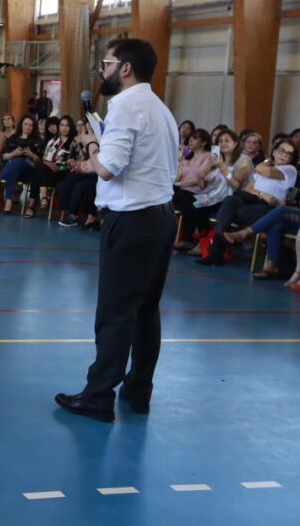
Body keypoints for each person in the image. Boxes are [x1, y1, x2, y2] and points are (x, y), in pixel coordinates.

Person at [55, 38, 178, 423]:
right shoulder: (160, 109)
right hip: (161, 217)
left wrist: (92, 145)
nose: (102, 70)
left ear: (125, 68)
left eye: (106, 63)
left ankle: (98, 395)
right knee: (145, 311)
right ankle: (138, 391)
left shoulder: (125, 105)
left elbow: (109, 167)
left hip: (133, 220)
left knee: (115, 311)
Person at [197, 140, 299, 267]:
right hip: (250, 200)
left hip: (269, 208)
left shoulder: (289, 170)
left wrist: (267, 161)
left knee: (228, 212)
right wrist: (263, 194)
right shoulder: (265, 169)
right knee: (230, 200)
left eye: (289, 154)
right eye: (282, 151)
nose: (284, 155)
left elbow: (261, 170)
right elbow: (248, 189)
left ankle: (215, 252)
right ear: (274, 151)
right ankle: (217, 251)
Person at [174, 128, 252, 254]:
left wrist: (222, 167)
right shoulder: (215, 158)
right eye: (220, 141)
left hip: (229, 198)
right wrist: (202, 174)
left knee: (199, 207)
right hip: (211, 195)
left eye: (227, 140)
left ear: (236, 143)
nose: (223, 143)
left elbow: (235, 185)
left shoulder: (243, 160)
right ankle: (194, 240)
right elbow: (203, 185)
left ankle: (202, 242)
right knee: (190, 202)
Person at [0, 114, 42, 215]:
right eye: (26, 124)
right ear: (21, 125)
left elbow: (40, 161)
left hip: (30, 170)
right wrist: (13, 154)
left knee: (17, 162)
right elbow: (3, 156)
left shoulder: (37, 140)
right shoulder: (14, 138)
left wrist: (31, 154)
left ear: (33, 127)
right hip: (14, 169)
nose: (28, 127)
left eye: (30, 125)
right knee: (13, 166)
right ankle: (8, 203)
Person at [25, 116, 74, 218]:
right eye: (62, 125)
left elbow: (73, 164)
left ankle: (32, 205)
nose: (64, 128)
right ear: (59, 127)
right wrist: (49, 164)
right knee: (39, 166)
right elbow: (44, 158)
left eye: (67, 126)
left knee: (36, 173)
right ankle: (43, 197)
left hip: (62, 173)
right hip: (48, 173)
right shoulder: (52, 141)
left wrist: (60, 167)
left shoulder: (74, 143)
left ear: (71, 127)